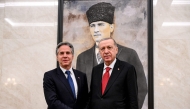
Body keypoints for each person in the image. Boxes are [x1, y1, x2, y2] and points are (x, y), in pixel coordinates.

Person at [76, 2, 147, 108]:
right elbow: (84, 92)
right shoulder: (82, 58)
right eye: (92, 26)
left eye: (100, 24)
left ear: (111, 27)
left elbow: (140, 89)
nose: (96, 30)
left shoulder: (130, 54)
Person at [89, 38, 139, 109]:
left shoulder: (127, 68)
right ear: (100, 52)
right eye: (102, 49)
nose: (106, 51)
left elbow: (133, 99)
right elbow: (93, 95)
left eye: (109, 47)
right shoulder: (96, 70)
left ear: (116, 50)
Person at [43, 42, 88, 109]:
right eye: (61, 53)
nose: (65, 56)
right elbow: (52, 101)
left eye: (68, 53)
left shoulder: (81, 76)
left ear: (72, 56)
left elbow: (85, 99)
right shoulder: (49, 76)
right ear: (57, 57)